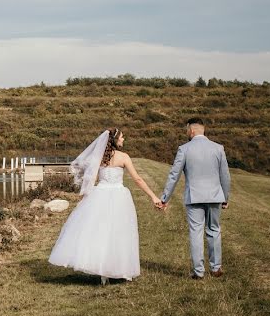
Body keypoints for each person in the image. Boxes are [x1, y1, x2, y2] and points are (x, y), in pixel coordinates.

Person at [48, 128, 163, 284]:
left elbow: (92, 179)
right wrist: (153, 197)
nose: (124, 139)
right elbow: (138, 180)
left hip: (100, 194)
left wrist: (85, 198)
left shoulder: (99, 157)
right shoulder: (124, 157)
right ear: (115, 140)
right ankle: (122, 270)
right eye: (122, 137)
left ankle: (103, 272)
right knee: (119, 232)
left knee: (100, 232)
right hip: (118, 196)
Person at [159, 117, 232, 279]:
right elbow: (225, 176)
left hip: (194, 197)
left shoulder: (184, 149)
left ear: (191, 130)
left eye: (186, 130)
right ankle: (216, 268)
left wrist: (164, 198)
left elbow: (174, 176)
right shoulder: (218, 148)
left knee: (196, 232)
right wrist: (225, 197)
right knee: (214, 230)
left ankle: (198, 272)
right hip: (215, 196)